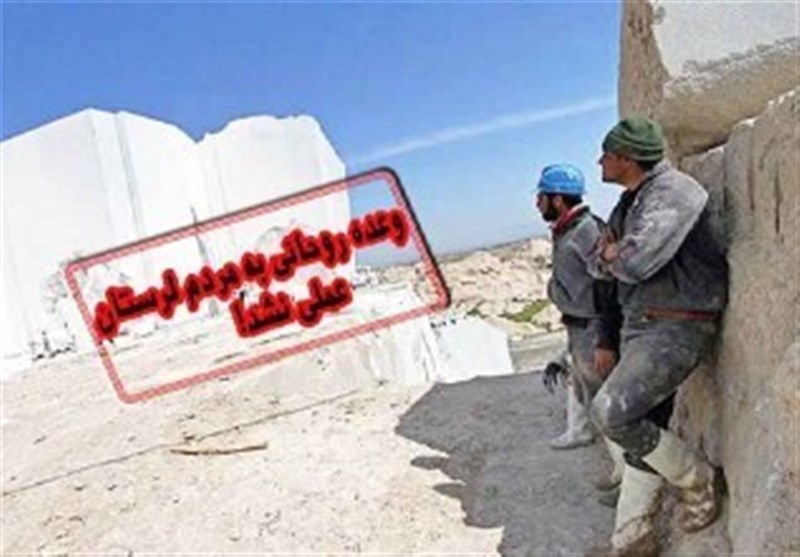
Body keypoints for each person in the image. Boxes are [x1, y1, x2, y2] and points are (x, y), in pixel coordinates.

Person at [587, 116, 728, 556]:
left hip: (676, 324)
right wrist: (612, 254)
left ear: (626, 158)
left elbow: (635, 263)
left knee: (611, 413)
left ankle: (696, 477)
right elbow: (598, 263)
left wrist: (614, 254)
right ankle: (632, 539)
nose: (600, 162)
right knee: (642, 428)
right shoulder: (629, 203)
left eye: (606, 155)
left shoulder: (674, 193)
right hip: (642, 323)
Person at [534, 164, 625, 495]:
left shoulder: (586, 230)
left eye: (541, 197)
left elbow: (607, 284)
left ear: (557, 199)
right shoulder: (566, 229)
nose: (537, 203)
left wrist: (605, 340)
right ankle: (619, 469)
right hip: (579, 328)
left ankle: (628, 478)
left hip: (593, 330)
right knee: (591, 396)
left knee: (608, 405)